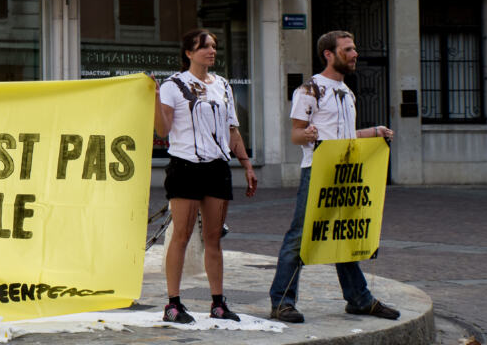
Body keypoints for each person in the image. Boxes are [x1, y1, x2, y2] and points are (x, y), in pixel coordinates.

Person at [268, 30, 399, 324]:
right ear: (329, 54)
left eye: (354, 49)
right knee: (300, 235)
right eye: (348, 50)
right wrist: (307, 133)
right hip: (317, 171)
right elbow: (295, 134)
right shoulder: (309, 90)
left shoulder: (348, 93)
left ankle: (359, 299)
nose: (355, 54)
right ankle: (282, 302)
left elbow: (347, 136)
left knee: (344, 232)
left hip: (346, 173)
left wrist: (374, 132)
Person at [154, 29, 257, 324]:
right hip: (185, 166)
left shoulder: (223, 85)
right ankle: (173, 303)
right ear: (189, 53)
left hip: (217, 167)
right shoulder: (174, 85)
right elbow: (162, 130)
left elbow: (233, 130)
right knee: (182, 237)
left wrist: (247, 165)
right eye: (204, 47)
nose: (211, 51)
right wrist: (156, 99)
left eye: (213, 46)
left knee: (214, 239)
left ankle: (218, 303)